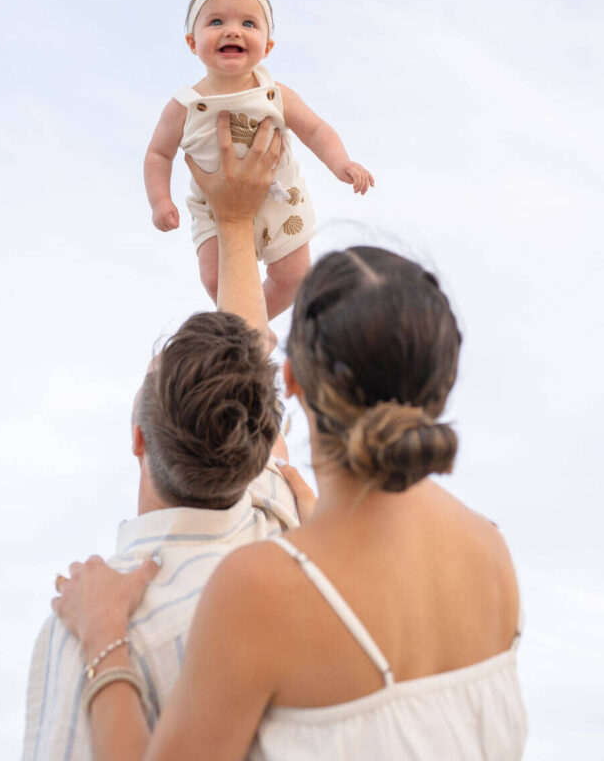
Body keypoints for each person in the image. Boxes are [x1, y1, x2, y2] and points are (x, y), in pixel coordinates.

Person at [53, 113, 527, 760]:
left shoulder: (263, 590)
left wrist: (103, 634)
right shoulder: (491, 553)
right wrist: (239, 226)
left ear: (291, 383)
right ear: (440, 382)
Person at [21, 119, 313, 761]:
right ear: (259, 446)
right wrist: (236, 227)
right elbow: (249, 363)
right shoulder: (286, 537)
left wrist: (103, 643)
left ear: (136, 439)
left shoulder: (89, 626)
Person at [143, 0, 374, 319]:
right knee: (214, 279)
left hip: (281, 200)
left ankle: (255, 325)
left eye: (248, 24)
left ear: (267, 46)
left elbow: (315, 130)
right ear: (192, 42)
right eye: (216, 22)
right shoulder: (184, 105)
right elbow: (158, 154)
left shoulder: (275, 94)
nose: (232, 30)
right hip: (215, 205)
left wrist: (340, 162)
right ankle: (242, 324)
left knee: (295, 278)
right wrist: (160, 201)